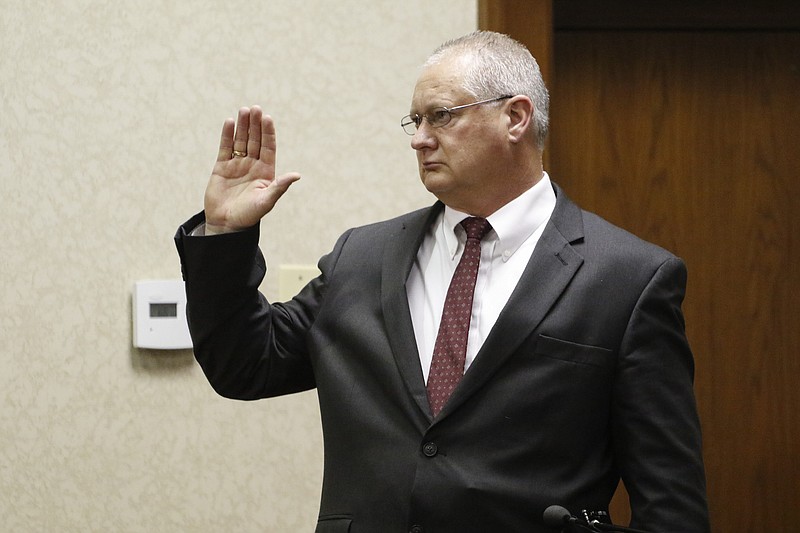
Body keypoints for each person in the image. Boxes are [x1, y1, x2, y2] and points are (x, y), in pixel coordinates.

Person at [175, 31, 709, 532]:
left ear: (515, 117)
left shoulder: (630, 278)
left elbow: (670, 502)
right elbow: (245, 366)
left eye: (441, 116)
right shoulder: (360, 257)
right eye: (415, 122)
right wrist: (225, 231)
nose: (419, 140)